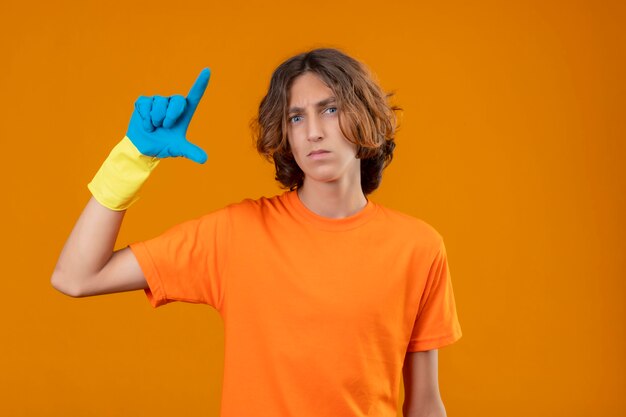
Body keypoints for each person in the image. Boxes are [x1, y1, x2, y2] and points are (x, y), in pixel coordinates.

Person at [51, 48, 462, 417]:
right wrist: (133, 159)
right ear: (284, 134)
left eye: (331, 109)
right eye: (295, 117)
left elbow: (425, 404)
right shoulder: (238, 234)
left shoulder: (418, 247)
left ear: (366, 116)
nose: (313, 131)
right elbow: (76, 276)